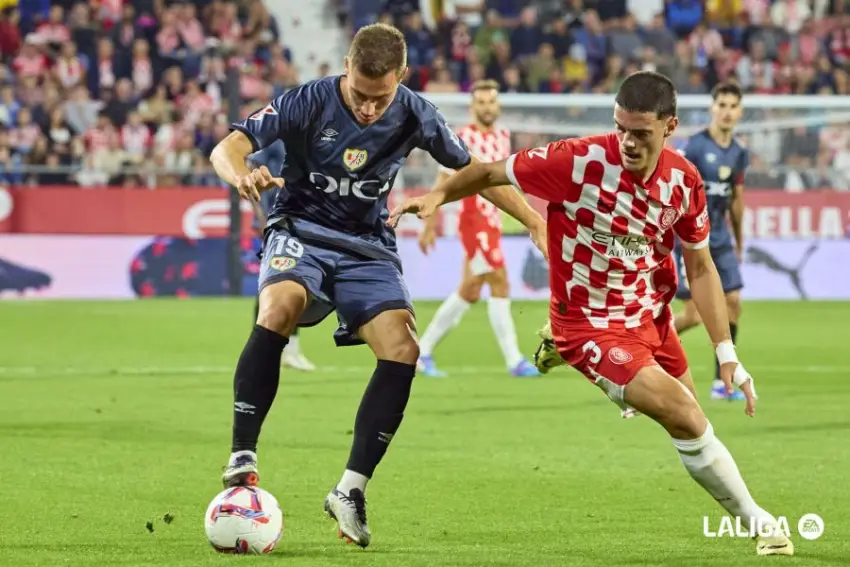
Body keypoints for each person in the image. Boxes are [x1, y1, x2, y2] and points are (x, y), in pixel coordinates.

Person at [389, 71, 793, 557]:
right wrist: (439, 196)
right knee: (685, 415)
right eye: (621, 127)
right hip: (588, 325)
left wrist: (725, 351)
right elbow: (490, 171)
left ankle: (593, 368)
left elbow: (701, 266)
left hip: (650, 315)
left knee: (690, 416)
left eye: (641, 132)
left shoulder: (684, 182)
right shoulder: (578, 160)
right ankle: (762, 525)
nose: (627, 141)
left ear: (669, 127)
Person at [209, 23, 546, 548]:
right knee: (280, 307)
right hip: (301, 229)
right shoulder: (307, 101)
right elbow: (227, 147)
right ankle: (242, 454)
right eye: (360, 96)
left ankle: (350, 490)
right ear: (346, 67)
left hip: (368, 244)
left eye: (379, 98)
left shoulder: (416, 112)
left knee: (402, 349)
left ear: (402, 78)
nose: (368, 109)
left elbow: (476, 172)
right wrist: (241, 175)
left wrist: (534, 221)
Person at [416, 79, 540, 378]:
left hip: (493, 221)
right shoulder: (462, 138)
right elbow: (443, 182)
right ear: (473, 107)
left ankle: (421, 352)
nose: (486, 107)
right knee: (499, 281)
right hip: (473, 220)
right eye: (481, 102)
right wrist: (429, 224)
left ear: (497, 105)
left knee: (470, 290)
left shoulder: (503, 136)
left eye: (491, 101)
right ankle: (514, 360)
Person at [673, 82, 748, 400]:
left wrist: (739, 240)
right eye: (722, 105)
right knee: (694, 314)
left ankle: (722, 382)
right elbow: (675, 190)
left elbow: (736, 199)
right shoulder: (693, 148)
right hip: (691, 239)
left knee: (732, 304)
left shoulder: (740, 153)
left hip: (720, 239)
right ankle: (643, 344)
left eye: (733, 106)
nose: (727, 111)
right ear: (712, 109)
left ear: (740, 112)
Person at [249, 142, 316, 371]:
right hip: (278, 219)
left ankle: (289, 350)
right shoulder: (276, 137)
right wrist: (259, 214)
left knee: (295, 282)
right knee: (276, 282)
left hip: (303, 219)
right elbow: (252, 168)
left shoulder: (313, 134)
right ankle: (264, 348)